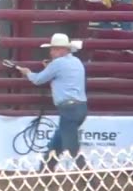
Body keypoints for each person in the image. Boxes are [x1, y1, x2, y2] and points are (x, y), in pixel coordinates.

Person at [17, 32, 88, 171]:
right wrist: (49, 68)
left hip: (68, 109)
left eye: (54, 49)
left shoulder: (57, 64)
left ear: (63, 49)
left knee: (71, 147)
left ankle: (90, 180)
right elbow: (63, 77)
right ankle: (45, 171)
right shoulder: (76, 61)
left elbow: (38, 80)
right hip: (80, 107)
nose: (51, 52)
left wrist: (27, 73)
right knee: (58, 141)